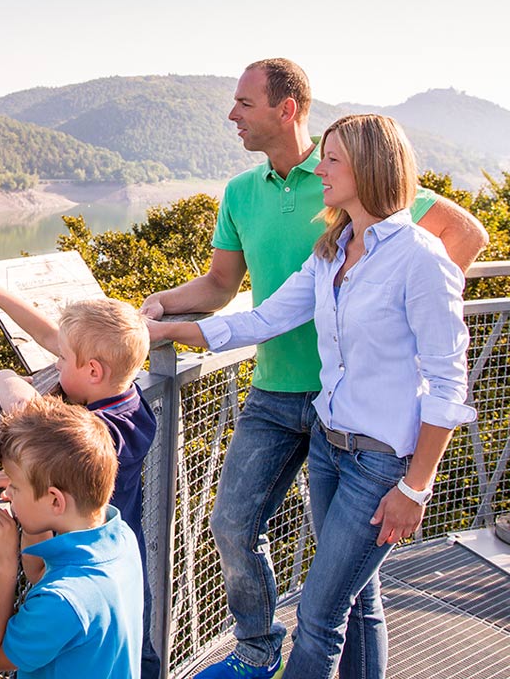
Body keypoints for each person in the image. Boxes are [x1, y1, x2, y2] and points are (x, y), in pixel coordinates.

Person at [140, 59, 487, 679]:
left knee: (325, 615)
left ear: (367, 169)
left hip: (380, 454)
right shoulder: (330, 249)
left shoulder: (417, 256)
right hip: (326, 433)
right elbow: (256, 317)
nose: (318, 172)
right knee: (341, 591)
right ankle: (266, 651)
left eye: (331, 162)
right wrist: (164, 326)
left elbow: (446, 377)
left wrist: (416, 484)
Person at [0, 268, 161, 678]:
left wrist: (5, 378)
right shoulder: (131, 404)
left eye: (61, 361)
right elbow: (51, 337)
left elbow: (29, 415)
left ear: (94, 371)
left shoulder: (104, 435)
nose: (54, 364)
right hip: (105, 563)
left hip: (82, 583)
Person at [0, 391, 143, 678]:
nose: (8, 493)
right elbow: (39, 572)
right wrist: (30, 491)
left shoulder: (62, 602)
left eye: (15, 487)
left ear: (55, 501)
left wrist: (3, 564)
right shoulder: (120, 538)